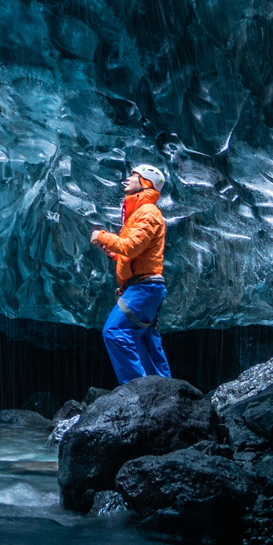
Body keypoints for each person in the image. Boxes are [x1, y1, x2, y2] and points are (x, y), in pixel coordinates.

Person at [90, 163, 170, 383]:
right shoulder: (143, 212)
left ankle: (136, 391)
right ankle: (165, 391)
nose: (128, 178)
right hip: (146, 286)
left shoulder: (147, 212)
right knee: (144, 339)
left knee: (115, 332)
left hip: (143, 288)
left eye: (134, 175)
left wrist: (102, 236)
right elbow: (137, 253)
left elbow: (131, 246)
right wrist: (114, 253)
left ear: (145, 182)